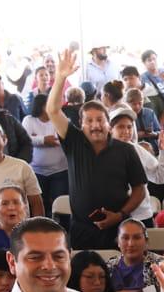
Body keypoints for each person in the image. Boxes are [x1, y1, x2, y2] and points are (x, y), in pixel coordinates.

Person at [46, 50, 148, 250]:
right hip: (81, 231)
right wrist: (60, 77)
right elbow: (52, 110)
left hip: (118, 230)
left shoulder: (125, 150)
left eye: (100, 120)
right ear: (81, 125)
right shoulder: (73, 142)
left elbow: (139, 190)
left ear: (108, 123)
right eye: (89, 121)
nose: (95, 126)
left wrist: (120, 215)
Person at [105, 218, 164, 292]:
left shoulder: (160, 265)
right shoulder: (108, 267)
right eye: (125, 238)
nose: (131, 243)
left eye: (137, 237)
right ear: (118, 242)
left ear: (146, 242)